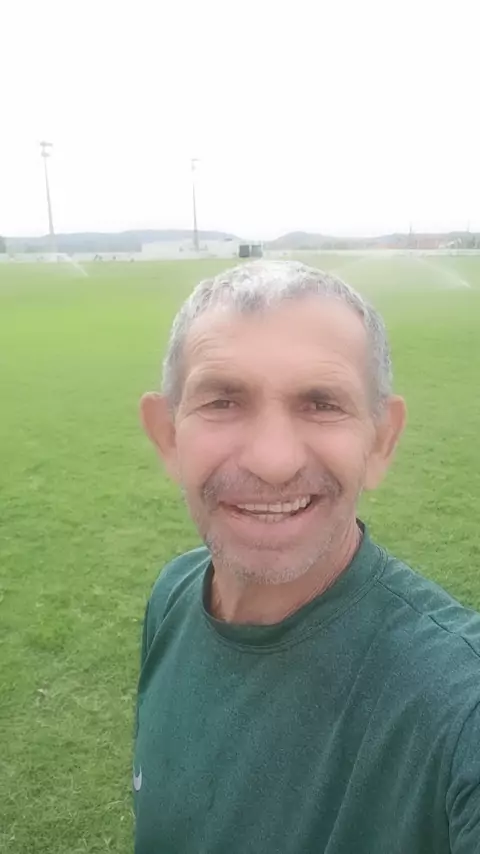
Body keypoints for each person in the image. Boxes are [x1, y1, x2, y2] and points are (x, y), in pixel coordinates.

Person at [134, 260, 480, 854]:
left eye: (322, 404)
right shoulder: (174, 595)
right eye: (223, 400)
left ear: (381, 440)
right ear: (167, 436)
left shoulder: (459, 704)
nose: (274, 461)